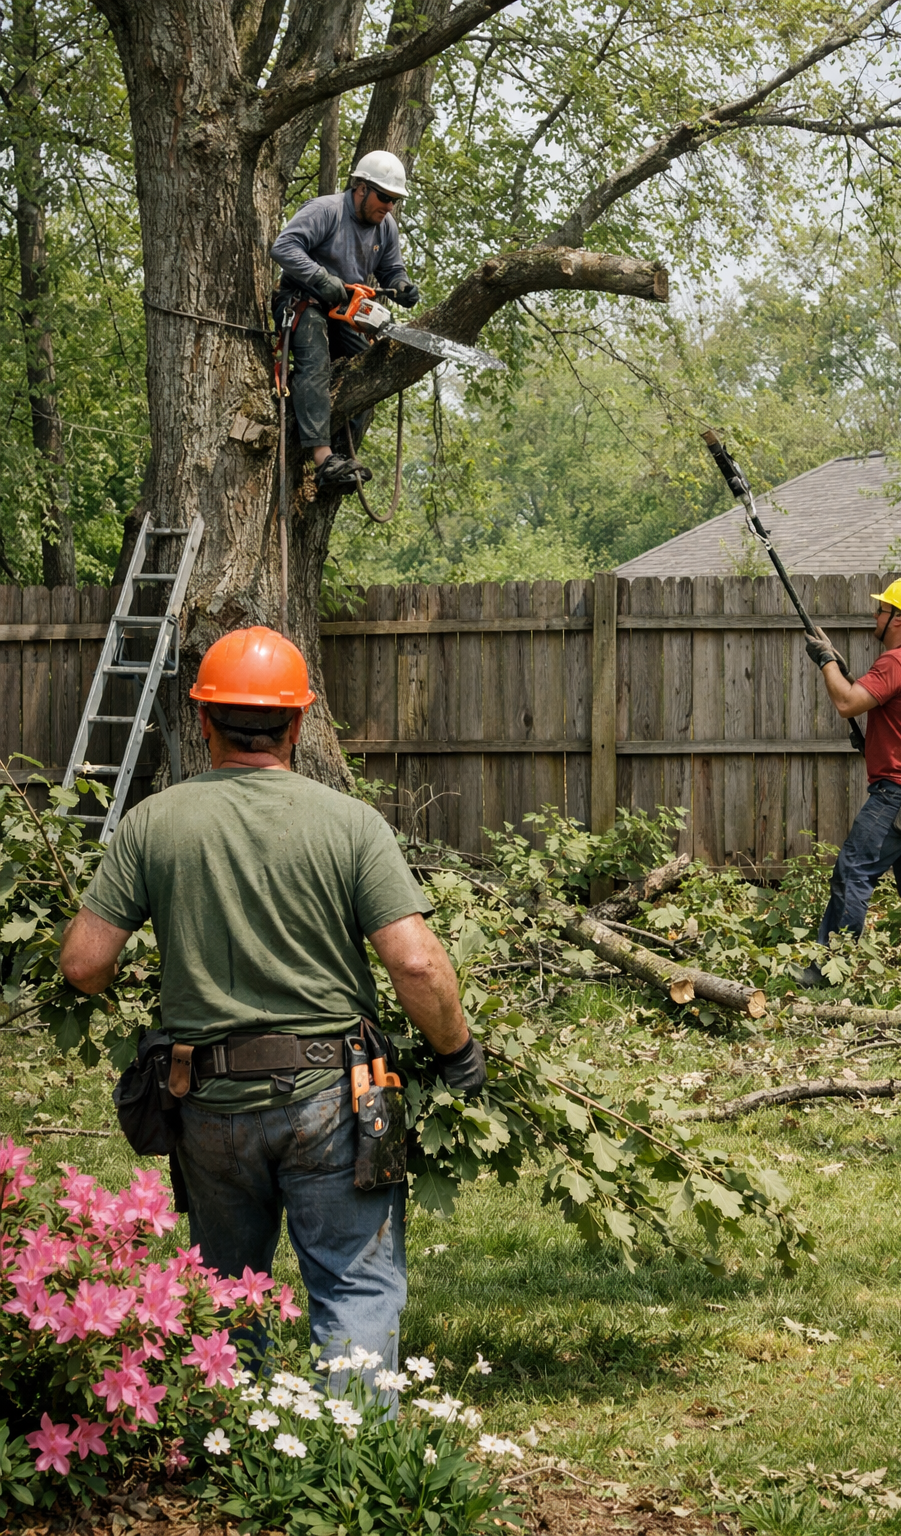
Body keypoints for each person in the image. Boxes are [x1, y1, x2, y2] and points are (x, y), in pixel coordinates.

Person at [59, 625, 485, 1383]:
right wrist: (458, 1053)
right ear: (298, 722)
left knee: (225, 1297)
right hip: (333, 1099)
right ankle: (352, 1449)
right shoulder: (350, 824)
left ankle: (236, 1441)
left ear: (203, 720)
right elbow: (417, 964)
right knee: (354, 1287)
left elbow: (84, 965)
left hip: (207, 1095)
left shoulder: (152, 822)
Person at [802, 577, 901, 985]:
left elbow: (847, 702)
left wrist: (826, 661)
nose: (875, 615)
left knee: (853, 871)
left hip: (899, 795)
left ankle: (830, 970)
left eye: (882, 610)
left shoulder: (897, 662)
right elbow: (895, 714)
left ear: (898, 619)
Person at [270, 150, 420, 494]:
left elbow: (392, 269)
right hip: (302, 300)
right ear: (361, 188)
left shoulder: (386, 227)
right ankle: (323, 458)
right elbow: (284, 247)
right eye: (384, 197)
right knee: (315, 362)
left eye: (395, 200)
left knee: (372, 365)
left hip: (345, 309)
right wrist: (320, 278)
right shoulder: (326, 211)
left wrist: (401, 285)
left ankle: (342, 457)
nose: (389, 207)